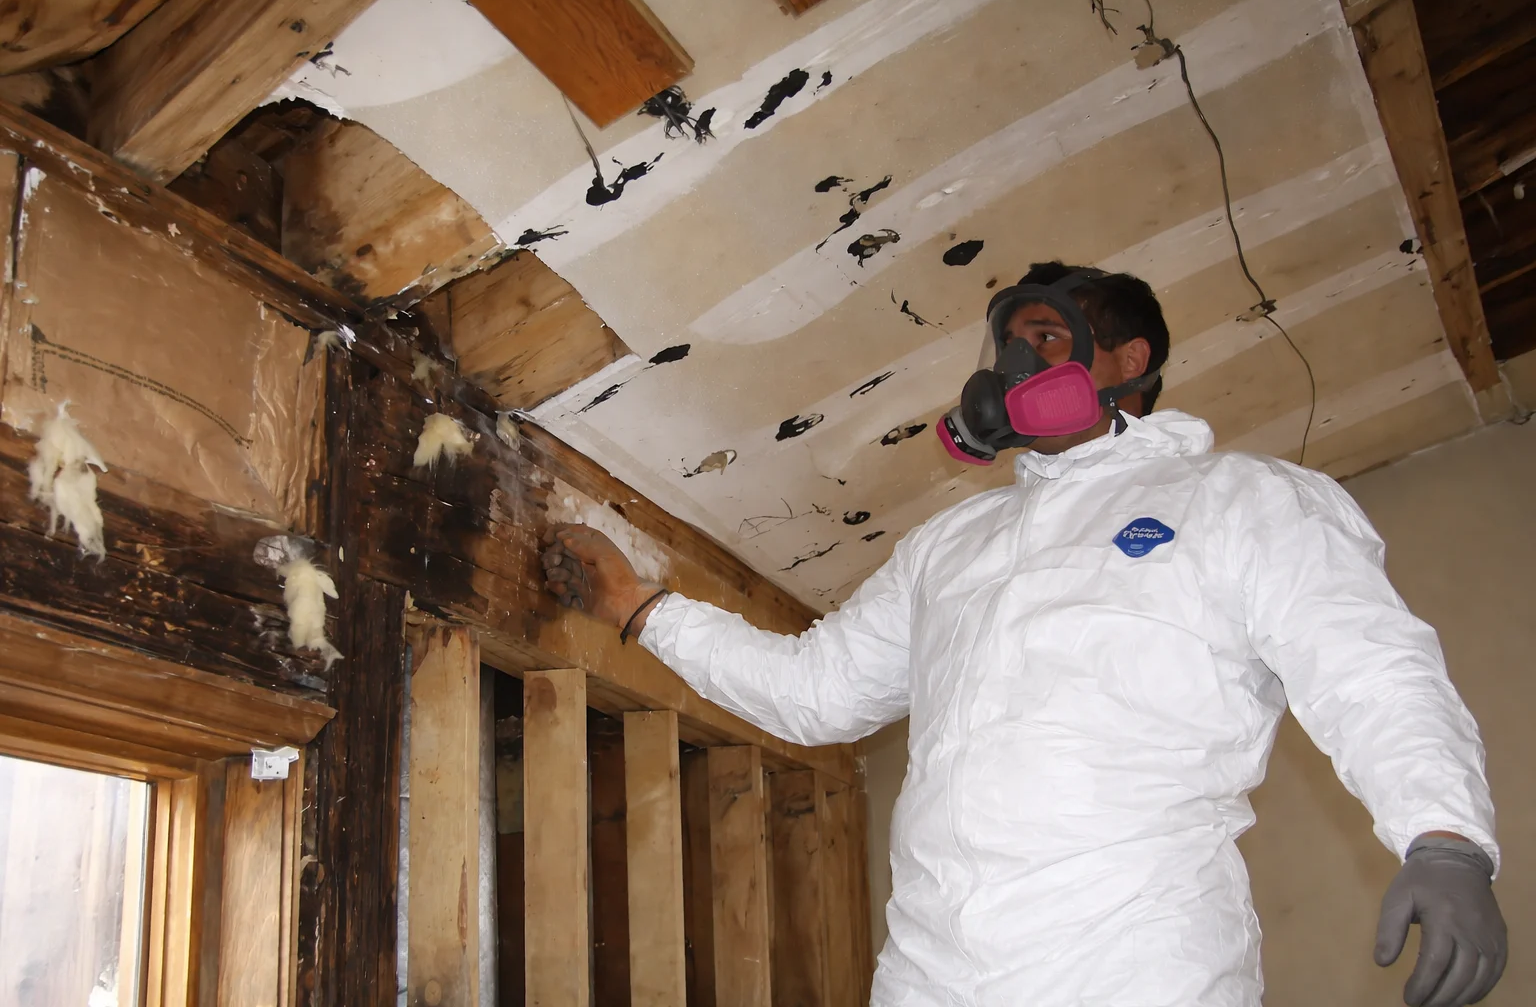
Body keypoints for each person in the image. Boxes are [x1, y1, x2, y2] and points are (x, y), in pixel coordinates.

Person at [541, 262, 1506, 1007]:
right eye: (1005, 344)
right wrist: (643, 608)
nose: (1011, 365)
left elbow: (1368, 665)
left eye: (1044, 337)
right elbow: (815, 691)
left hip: (1133, 962)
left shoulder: (1239, 499)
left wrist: (1445, 837)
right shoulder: (951, 544)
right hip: (931, 968)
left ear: (1130, 362)